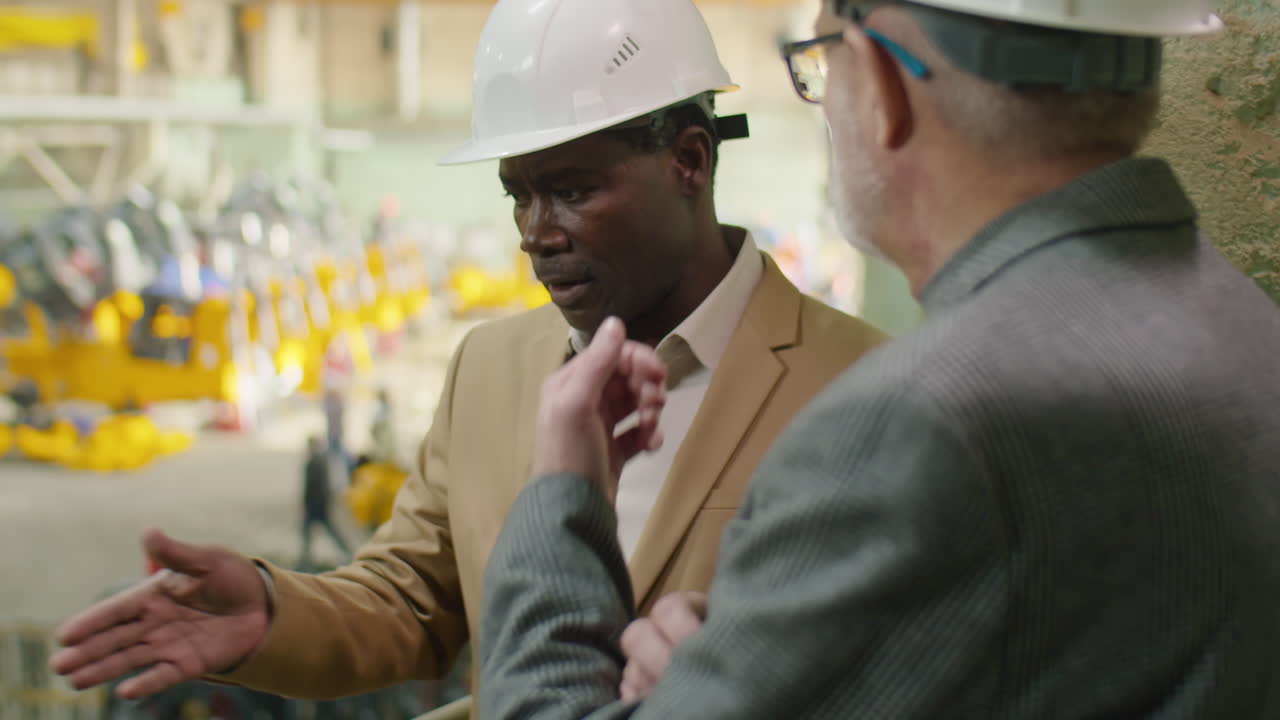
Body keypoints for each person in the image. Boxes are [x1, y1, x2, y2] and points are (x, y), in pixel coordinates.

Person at [46, 0, 886, 713]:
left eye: (571, 189)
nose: (535, 234)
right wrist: (269, 612)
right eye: (517, 193)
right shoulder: (490, 368)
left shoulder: (863, 392)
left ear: (690, 161)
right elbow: (411, 601)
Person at [475, 1, 1280, 718]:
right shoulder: (1245, 326)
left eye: (822, 63)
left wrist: (564, 494)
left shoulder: (920, 423)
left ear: (886, 88)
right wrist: (760, 683)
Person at [297, 435, 353, 571]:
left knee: (314, 532)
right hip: (319, 504)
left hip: (316, 505)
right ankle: (306, 559)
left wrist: (306, 504)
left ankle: (306, 560)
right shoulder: (320, 462)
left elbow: (311, 487)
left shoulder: (315, 463)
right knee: (313, 532)